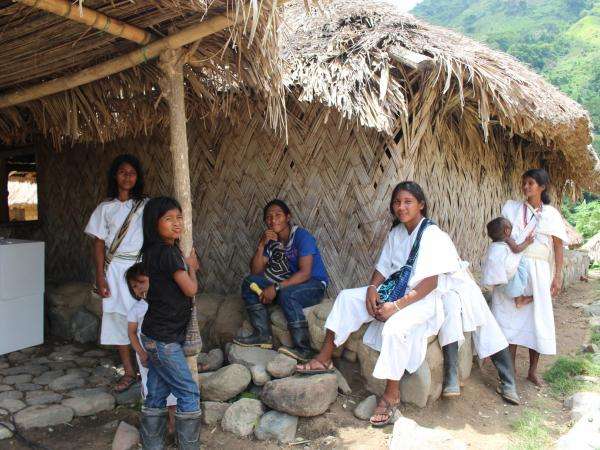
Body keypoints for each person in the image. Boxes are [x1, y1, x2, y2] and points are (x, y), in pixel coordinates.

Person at [296, 182, 461, 426]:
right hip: (392, 291)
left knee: (394, 328)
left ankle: (391, 395)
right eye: (397, 202)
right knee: (346, 298)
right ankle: (324, 357)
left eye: (408, 202)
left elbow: (431, 283)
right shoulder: (396, 234)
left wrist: (395, 307)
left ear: (421, 205)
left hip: (421, 299)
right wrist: (372, 289)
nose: (401, 207)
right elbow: (383, 268)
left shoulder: (435, 236)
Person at [491, 169, 568, 387]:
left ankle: (533, 371)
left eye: (531, 183)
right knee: (510, 319)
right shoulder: (512, 208)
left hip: (540, 270)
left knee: (538, 319)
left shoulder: (551, 214)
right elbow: (501, 236)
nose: (526, 187)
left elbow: (558, 245)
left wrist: (558, 274)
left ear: (542, 187)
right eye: (524, 183)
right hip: (515, 267)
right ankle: (510, 370)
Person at [138, 196, 201, 450]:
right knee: (189, 392)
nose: (177, 223)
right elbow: (190, 289)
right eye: (168, 219)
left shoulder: (151, 252)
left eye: (179, 217)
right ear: (155, 223)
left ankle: (152, 446)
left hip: (153, 335)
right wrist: (193, 267)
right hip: (164, 340)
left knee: (156, 392)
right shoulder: (170, 254)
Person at [233, 199, 329, 362]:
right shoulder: (271, 241)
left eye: (278, 215)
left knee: (287, 294)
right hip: (288, 286)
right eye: (269, 217)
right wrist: (262, 245)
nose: (273, 220)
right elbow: (255, 272)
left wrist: (275, 288)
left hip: (313, 285)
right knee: (250, 282)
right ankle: (262, 335)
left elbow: (305, 273)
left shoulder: (301, 236)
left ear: (288, 217)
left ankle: (303, 349)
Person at [84, 154, 147, 393]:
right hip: (114, 270)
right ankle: (129, 372)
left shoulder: (145, 206)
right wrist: (100, 276)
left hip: (139, 268)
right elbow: (99, 243)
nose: (127, 176)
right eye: (122, 172)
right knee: (119, 319)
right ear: (115, 176)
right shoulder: (105, 208)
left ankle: (147, 367)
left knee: (144, 317)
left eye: (132, 172)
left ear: (138, 176)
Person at [436, 257, 520, 404]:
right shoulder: (442, 239)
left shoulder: (433, 240)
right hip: (458, 285)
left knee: (453, 312)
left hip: (447, 286)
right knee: (485, 322)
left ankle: (452, 380)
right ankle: (509, 384)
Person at [125, 263, 177, 438]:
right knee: (151, 390)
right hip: (147, 357)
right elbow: (132, 333)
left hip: (166, 354)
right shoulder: (136, 309)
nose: (139, 287)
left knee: (172, 392)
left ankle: (173, 426)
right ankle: (155, 427)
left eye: (142, 282)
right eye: (134, 286)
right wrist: (141, 353)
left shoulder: (164, 303)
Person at [483, 217, 534, 308]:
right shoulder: (507, 239)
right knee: (515, 278)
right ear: (507, 231)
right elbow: (517, 249)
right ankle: (519, 300)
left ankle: (516, 297)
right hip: (506, 272)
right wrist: (527, 242)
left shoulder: (494, 244)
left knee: (507, 282)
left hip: (497, 274)